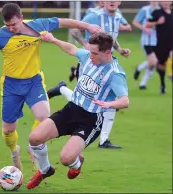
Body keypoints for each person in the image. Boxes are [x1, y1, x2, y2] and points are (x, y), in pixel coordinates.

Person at [0, 3, 101, 171]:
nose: (11, 28)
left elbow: (64, 22)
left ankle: (32, 146)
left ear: (21, 18)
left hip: (34, 81)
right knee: (8, 130)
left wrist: (88, 26)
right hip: (11, 86)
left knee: (44, 116)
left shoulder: (38, 25)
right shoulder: (0, 36)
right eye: (8, 25)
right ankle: (15, 151)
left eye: (14, 24)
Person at [26, 32, 129, 189]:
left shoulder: (115, 74)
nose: (90, 56)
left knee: (65, 159)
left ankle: (76, 163)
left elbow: (125, 100)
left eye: (95, 53)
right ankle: (45, 169)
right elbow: (72, 49)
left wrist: (109, 105)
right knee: (34, 138)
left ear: (107, 52)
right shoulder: (88, 56)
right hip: (71, 110)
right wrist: (53, 39)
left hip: (91, 120)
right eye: (90, 51)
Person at [48, 1, 131, 149]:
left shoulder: (117, 16)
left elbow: (110, 38)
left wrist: (119, 49)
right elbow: (74, 30)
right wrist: (86, 46)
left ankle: (104, 139)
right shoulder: (94, 16)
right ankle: (62, 89)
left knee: (106, 100)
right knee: (87, 98)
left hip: (107, 64)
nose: (112, 2)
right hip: (91, 62)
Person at [146, 1, 173, 94]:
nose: (165, 2)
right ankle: (162, 84)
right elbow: (147, 24)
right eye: (163, 0)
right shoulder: (156, 13)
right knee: (162, 66)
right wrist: (157, 22)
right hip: (161, 44)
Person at [132, 1, 160, 90]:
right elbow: (135, 22)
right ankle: (140, 72)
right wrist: (144, 28)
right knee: (153, 61)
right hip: (147, 41)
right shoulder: (145, 10)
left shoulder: (161, 10)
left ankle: (142, 82)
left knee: (154, 63)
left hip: (159, 41)